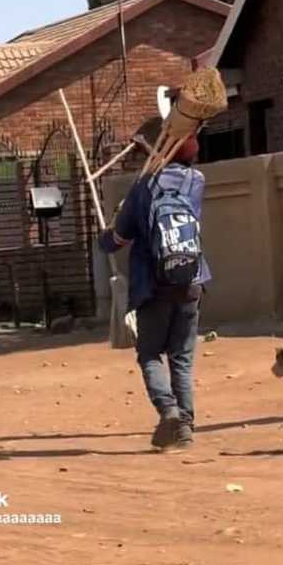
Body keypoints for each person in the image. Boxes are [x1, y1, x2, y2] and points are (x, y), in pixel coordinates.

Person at [99, 133, 210, 452]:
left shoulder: (143, 188)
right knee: (182, 358)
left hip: (153, 286)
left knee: (149, 354)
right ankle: (185, 427)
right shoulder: (196, 182)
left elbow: (117, 240)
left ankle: (169, 411)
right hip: (191, 281)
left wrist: (105, 234)